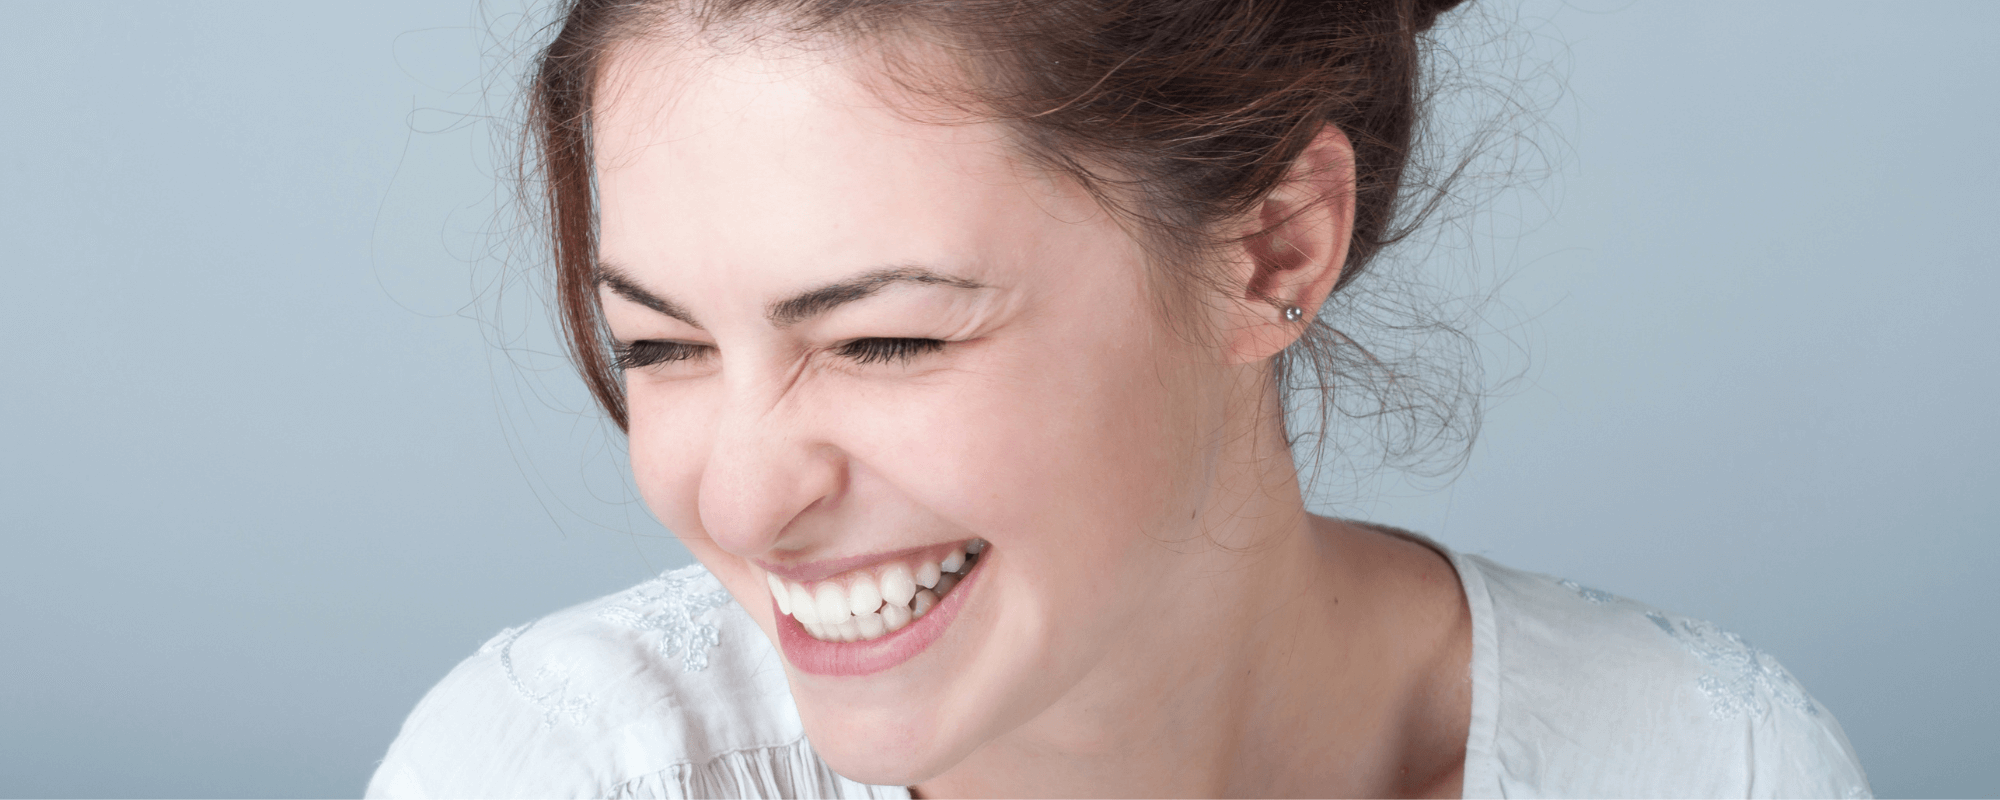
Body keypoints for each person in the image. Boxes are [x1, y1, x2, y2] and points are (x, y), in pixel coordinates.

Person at [368, 0, 1870, 796]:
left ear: (1273, 247)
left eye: (884, 341)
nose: (743, 499)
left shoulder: (1706, 768)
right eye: (662, 349)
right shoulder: (565, 775)